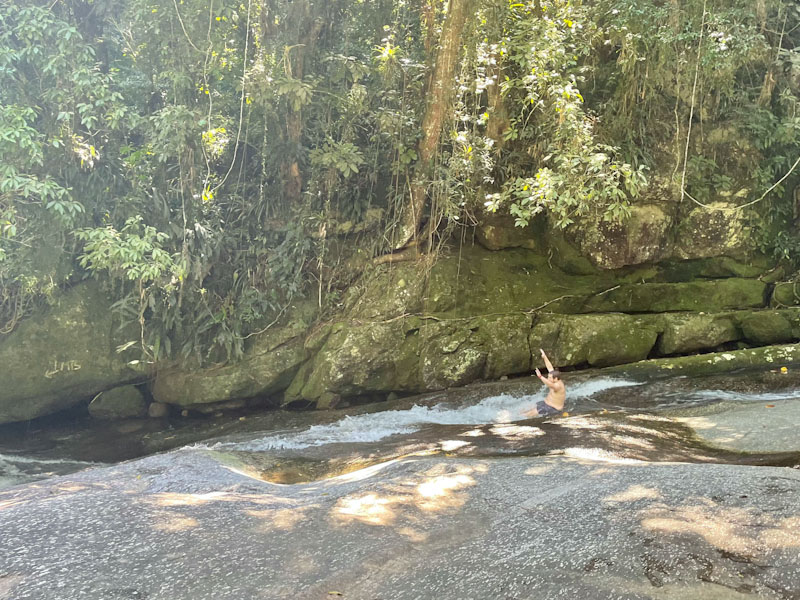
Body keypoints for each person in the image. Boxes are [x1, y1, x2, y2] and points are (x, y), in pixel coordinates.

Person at [523, 349, 566, 417]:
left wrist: (540, 376)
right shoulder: (555, 377)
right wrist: (544, 357)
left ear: (555, 379)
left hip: (552, 408)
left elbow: (549, 384)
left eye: (549, 378)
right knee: (526, 408)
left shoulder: (558, 386)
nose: (548, 378)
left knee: (528, 415)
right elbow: (550, 368)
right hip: (546, 403)